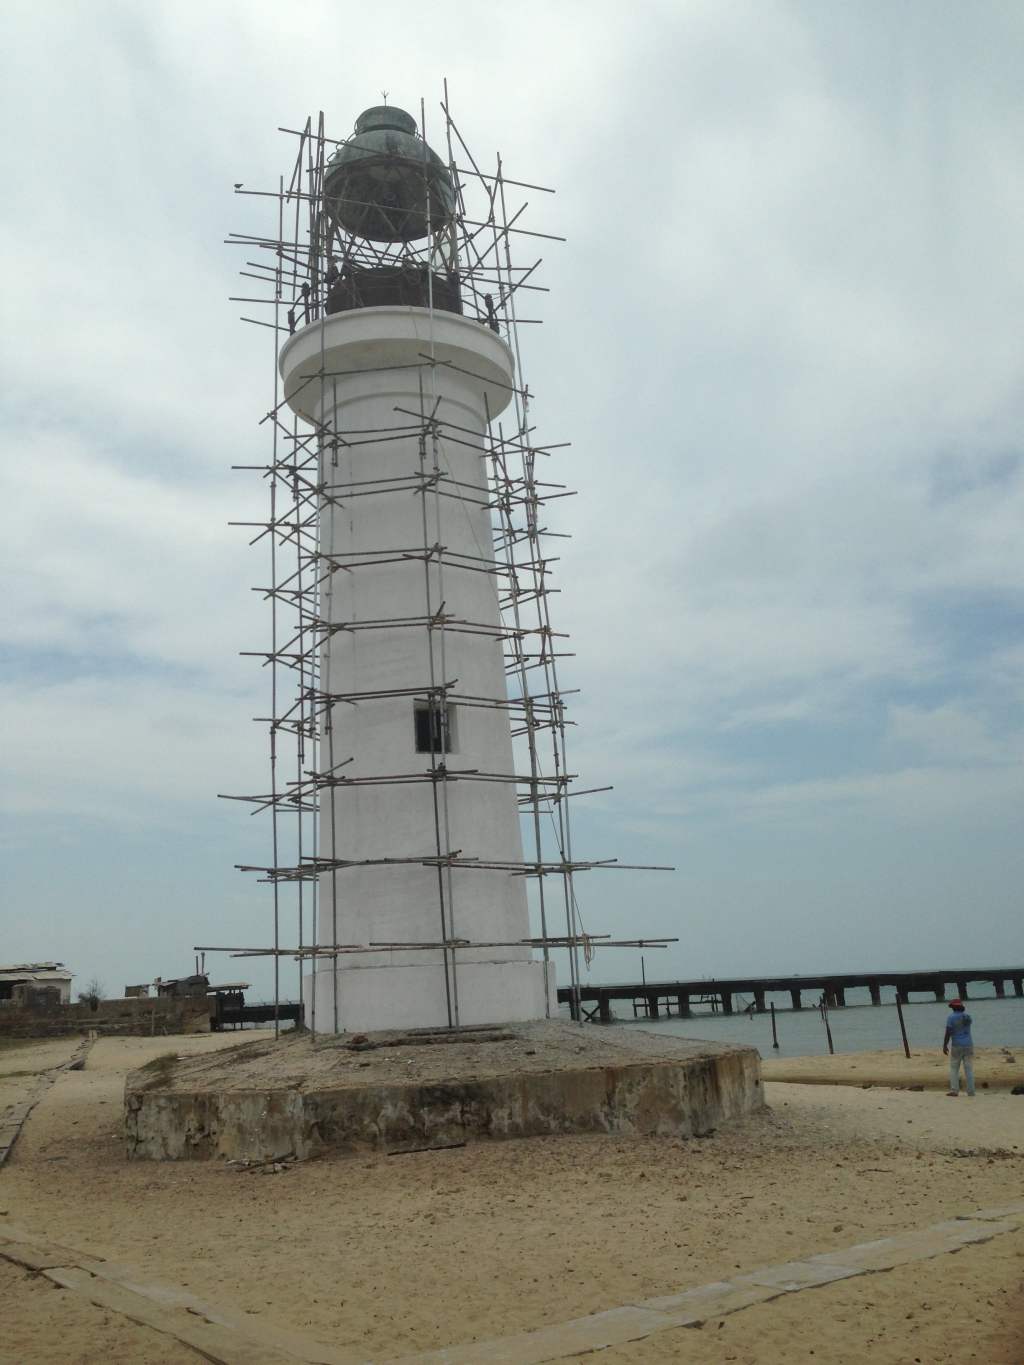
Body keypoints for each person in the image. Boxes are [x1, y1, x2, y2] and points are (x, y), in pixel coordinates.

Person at [942, 999, 975, 1097]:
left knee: (954, 1068)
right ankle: (971, 1091)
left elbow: (948, 1032)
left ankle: (955, 1090)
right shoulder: (968, 1017)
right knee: (968, 1068)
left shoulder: (951, 1017)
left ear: (953, 1008)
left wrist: (945, 1045)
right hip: (969, 1044)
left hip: (957, 1045)